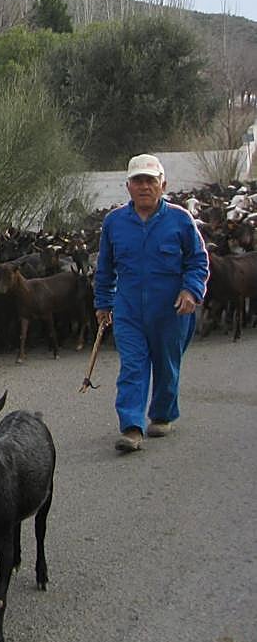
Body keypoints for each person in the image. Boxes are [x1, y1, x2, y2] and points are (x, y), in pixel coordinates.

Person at [93, 154, 209, 453]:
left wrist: (191, 291)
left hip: (171, 310)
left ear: (163, 184)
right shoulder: (114, 222)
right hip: (129, 309)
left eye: (150, 180)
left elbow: (198, 261)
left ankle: (162, 413)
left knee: (167, 365)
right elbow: (104, 267)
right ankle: (132, 426)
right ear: (128, 186)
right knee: (132, 366)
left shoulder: (180, 220)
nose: (144, 186)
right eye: (138, 181)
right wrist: (103, 303)